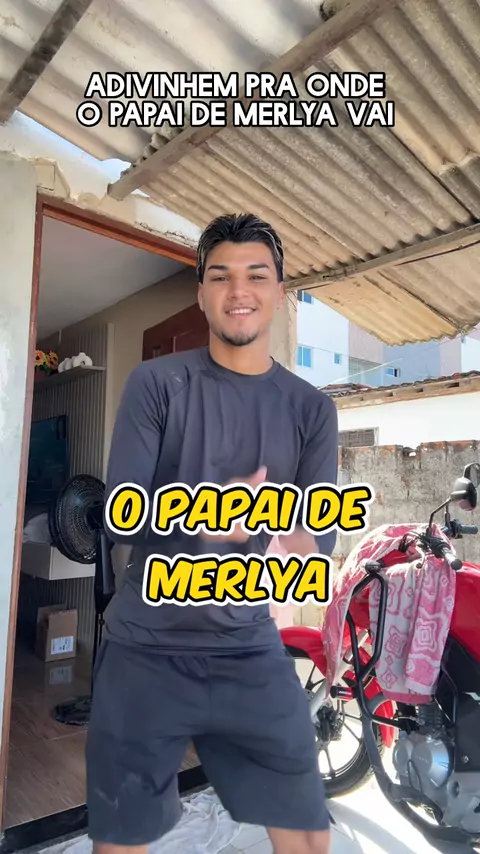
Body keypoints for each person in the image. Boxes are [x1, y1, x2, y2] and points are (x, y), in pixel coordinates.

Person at [86, 213, 339, 854]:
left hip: (249, 647)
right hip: (144, 649)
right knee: (122, 836)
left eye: (256, 275)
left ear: (280, 292)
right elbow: (121, 509)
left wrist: (291, 536)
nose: (238, 291)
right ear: (201, 294)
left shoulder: (312, 409)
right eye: (220, 277)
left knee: (308, 835)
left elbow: (318, 537)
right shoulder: (156, 384)